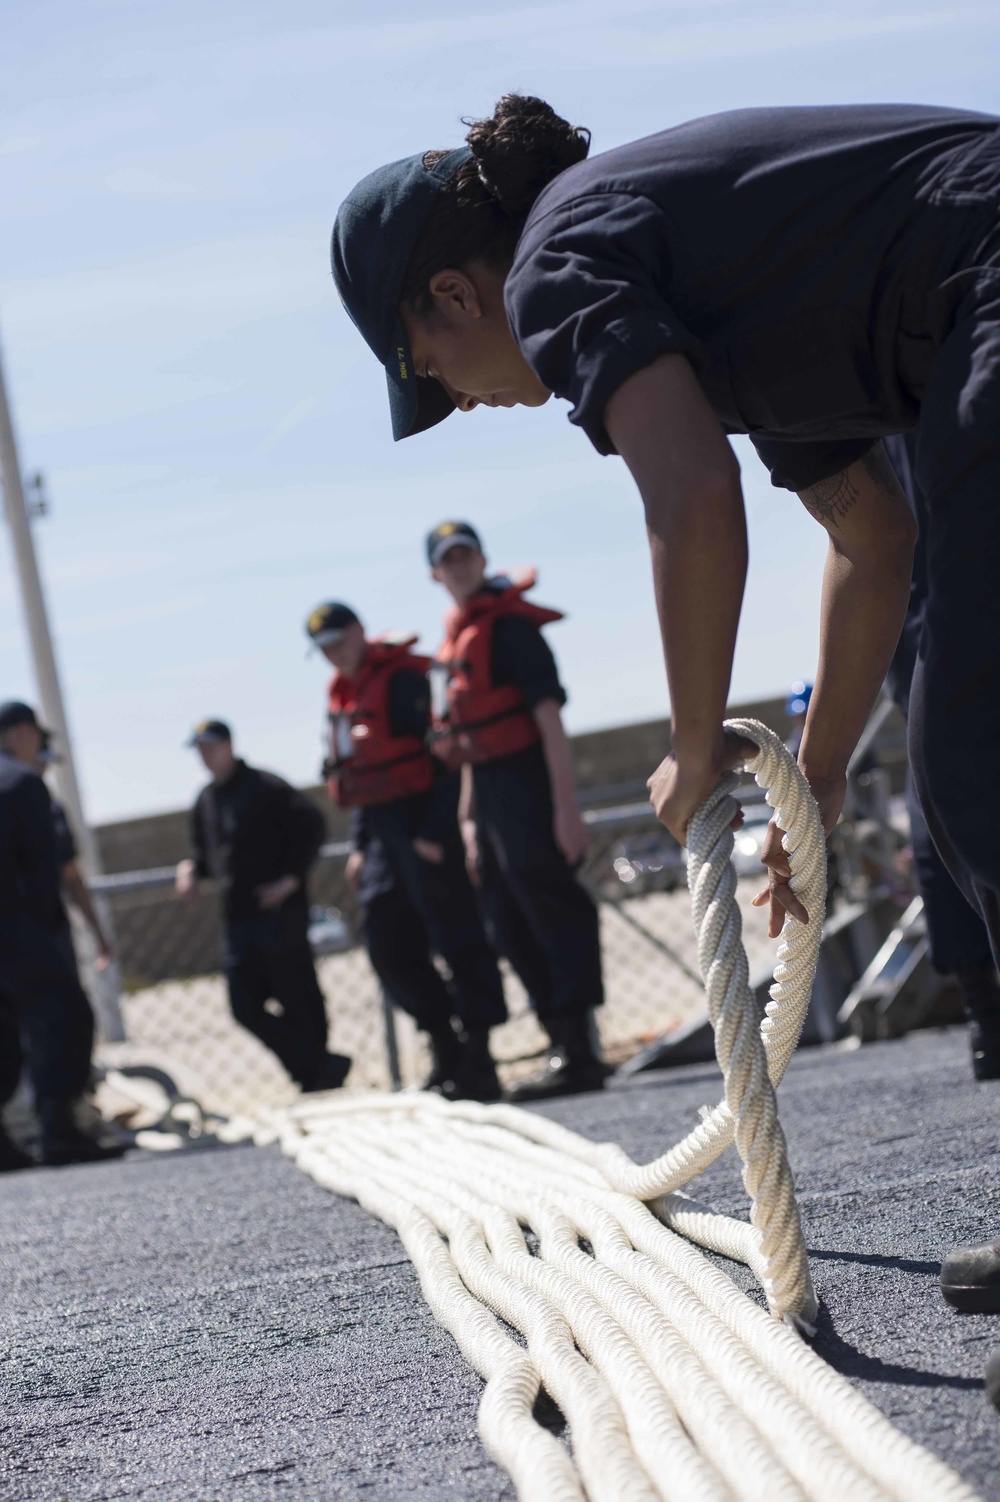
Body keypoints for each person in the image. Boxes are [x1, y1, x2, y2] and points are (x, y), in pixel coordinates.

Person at [332, 88, 1000, 1408]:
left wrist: (695, 751)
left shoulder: (559, 259)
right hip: (961, 312)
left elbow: (693, 501)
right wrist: (805, 789)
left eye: (429, 379)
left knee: (987, 767)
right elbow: (872, 539)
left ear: (456, 295)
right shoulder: (741, 291)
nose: (459, 406)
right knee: (955, 764)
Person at [426, 520, 605, 1101]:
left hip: (531, 781)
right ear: (435, 573)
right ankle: (557, 1038)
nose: (458, 566)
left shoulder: (510, 632)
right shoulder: (455, 642)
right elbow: (470, 744)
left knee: (550, 905)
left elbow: (549, 721)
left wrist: (566, 809)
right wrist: (469, 821)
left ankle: (580, 1049)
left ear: (481, 559)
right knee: (506, 918)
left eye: (465, 555)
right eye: (447, 560)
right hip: (492, 792)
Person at [308, 600, 507, 1100]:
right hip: (379, 830)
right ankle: (444, 1041)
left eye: (338, 640)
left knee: (458, 938)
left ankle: (480, 1054)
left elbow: (443, 757)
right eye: (325, 648)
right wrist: (359, 846)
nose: (334, 654)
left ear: (358, 632)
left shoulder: (401, 681)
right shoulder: (344, 694)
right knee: (386, 941)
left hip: (425, 820)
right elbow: (360, 776)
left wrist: (435, 830)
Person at [883, 432, 1000, 1081]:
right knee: (948, 791)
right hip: (952, 577)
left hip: (911, 601)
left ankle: (986, 1018)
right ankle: (986, 1013)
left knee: (938, 784)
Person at [176, 720, 350, 1093]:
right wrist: (190, 869)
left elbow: (312, 825)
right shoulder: (207, 799)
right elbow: (206, 854)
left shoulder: (265, 786)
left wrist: (290, 878)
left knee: (297, 995)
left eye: (211, 747)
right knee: (244, 1005)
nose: (206, 756)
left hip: (279, 912)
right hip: (237, 916)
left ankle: (314, 1076)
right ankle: (321, 1065)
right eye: (200, 750)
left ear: (228, 745)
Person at [0, 701, 123, 1168]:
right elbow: (45, 870)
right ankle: (60, 1129)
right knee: (63, 1017)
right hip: (19, 929)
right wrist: (47, 932)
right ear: (21, 732)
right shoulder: (24, 783)